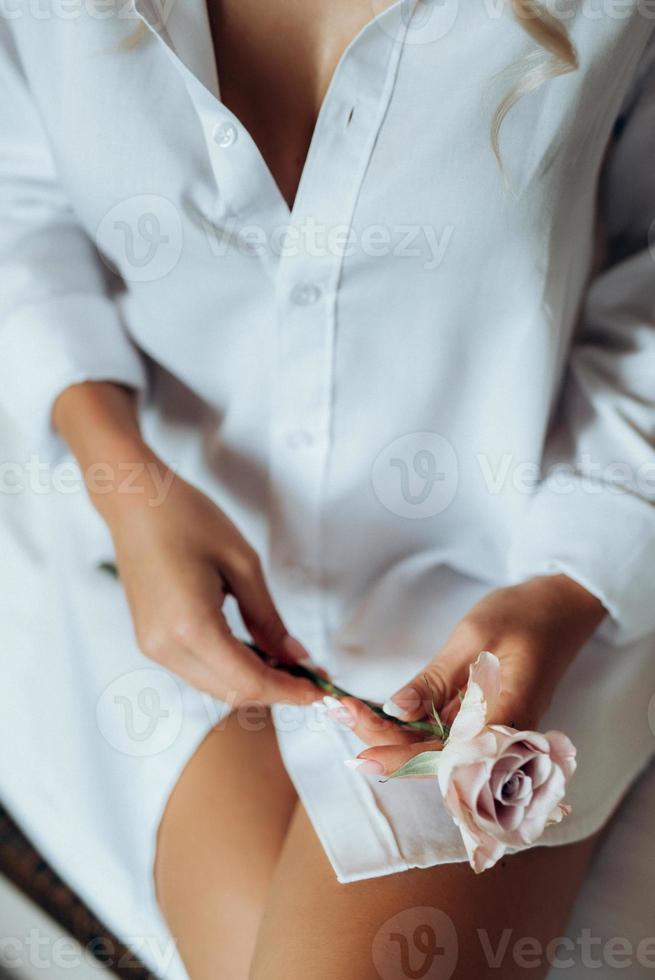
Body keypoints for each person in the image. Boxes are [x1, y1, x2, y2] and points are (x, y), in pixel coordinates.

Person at [1, 1, 654, 977]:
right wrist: (123, 478)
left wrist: (564, 589)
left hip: (516, 562)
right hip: (148, 542)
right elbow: (22, 201)